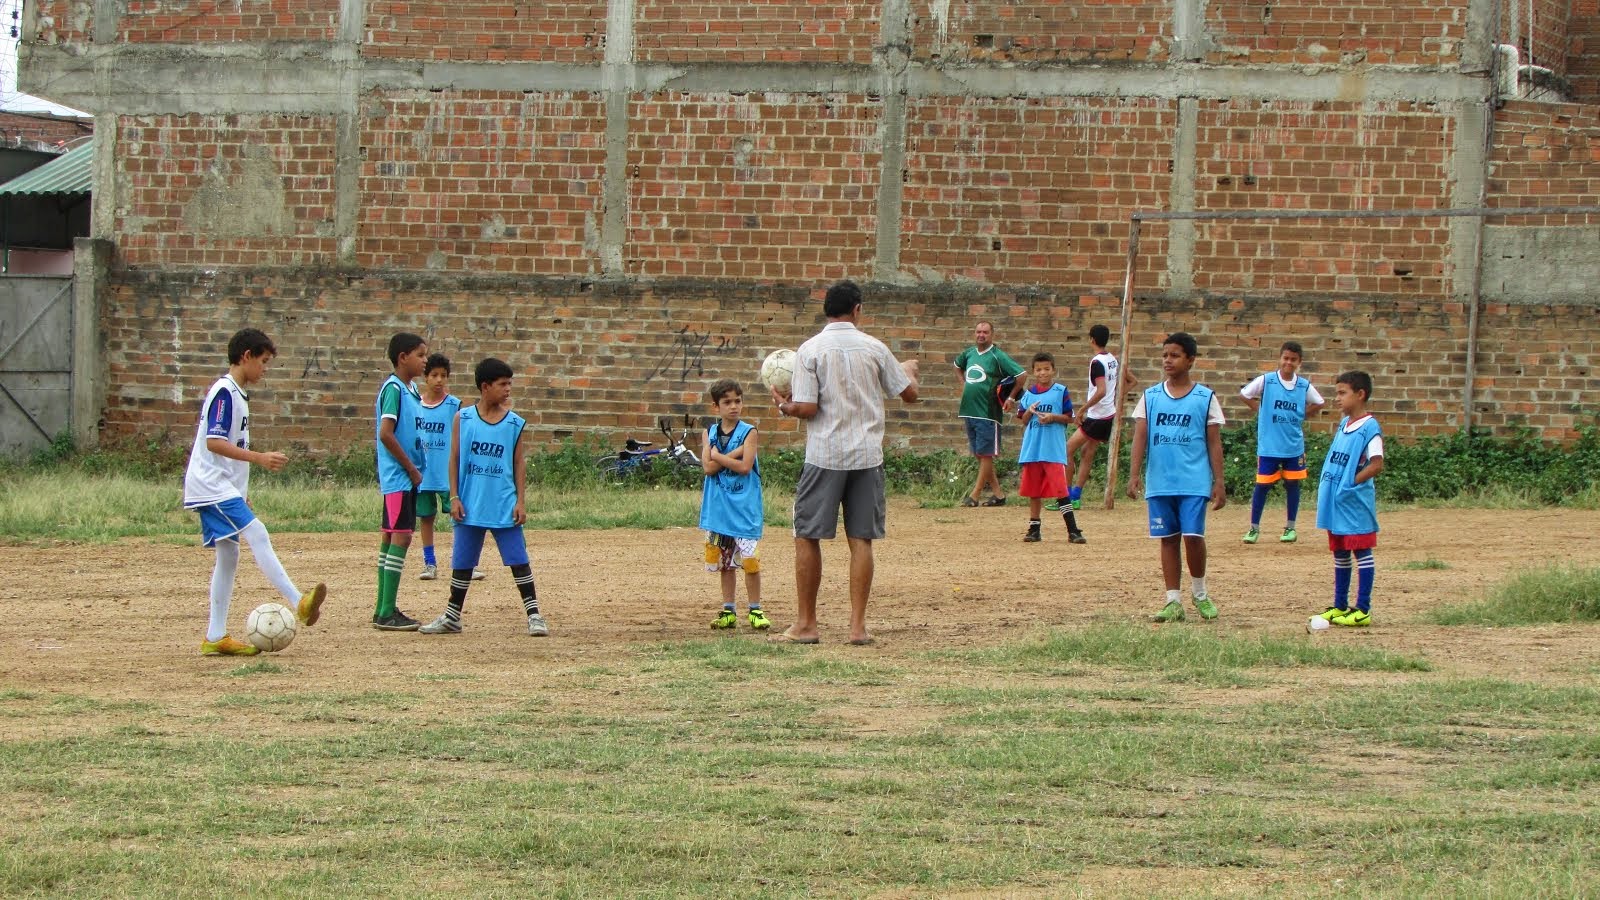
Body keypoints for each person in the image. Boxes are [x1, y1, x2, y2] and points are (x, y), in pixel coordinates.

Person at [770, 280, 919, 645]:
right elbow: (909, 395)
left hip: (825, 454)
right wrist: (910, 371)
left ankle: (807, 624)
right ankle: (857, 627)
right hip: (867, 455)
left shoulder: (810, 350)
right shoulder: (875, 348)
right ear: (857, 310)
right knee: (861, 539)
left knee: (807, 535)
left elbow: (807, 408)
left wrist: (784, 405)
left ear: (827, 310)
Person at [182, 328, 326, 656]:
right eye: (262, 362)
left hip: (220, 487)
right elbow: (214, 442)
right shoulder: (225, 392)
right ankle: (298, 602)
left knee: (229, 555)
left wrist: (238, 490)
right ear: (245, 356)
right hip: (210, 485)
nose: (264, 369)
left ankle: (215, 636)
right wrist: (259, 458)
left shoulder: (237, 394)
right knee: (257, 532)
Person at [419, 358, 550, 636]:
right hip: (470, 503)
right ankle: (452, 616)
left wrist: (521, 500)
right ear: (485, 386)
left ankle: (534, 614)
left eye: (509, 384)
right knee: (463, 562)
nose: (508, 390)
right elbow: (453, 459)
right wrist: (454, 496)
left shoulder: (513, 423)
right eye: (503, 384)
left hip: (503, 503)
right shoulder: (463, 419)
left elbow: (518, 463)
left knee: (518, 560)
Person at [1126, 332, 1226, 623]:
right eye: (1165, 355)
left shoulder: (1205, 398)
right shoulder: (1151, 397)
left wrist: (1218, 481)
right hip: (1161, 482)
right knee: (1168, 539)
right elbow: (1140, 438)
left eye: (1174, 355)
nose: (1167, 360)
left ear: (1190, 360)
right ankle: (1173, 601)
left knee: (1193, 537)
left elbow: (1214, 443)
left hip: (1193, 481)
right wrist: (1134, 475)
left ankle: (1200, 593)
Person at [1312, 371, 1384, 628]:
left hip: (1354, 501)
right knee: (1340, 552)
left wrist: (1352, 482)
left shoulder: (1370, 427)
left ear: (1360, 394)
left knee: (1361, 550)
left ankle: (1362, 608)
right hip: (1335, 500)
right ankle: (1340, 605)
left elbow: (1376, 464)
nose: (1337, 399)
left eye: (1342, 393)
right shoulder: (1343, 424)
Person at [700, 378, 769, 631]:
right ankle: (728, 610)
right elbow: (708, 468)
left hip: (743, 510)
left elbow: (745, 466)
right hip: (719, 511)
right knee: (725, 563)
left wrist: (718, 454)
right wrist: (729, 454)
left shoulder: (749, 431)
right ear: (715, 406)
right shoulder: (709, 432)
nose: (733, 406)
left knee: (750, 561)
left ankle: (755, 609)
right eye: (727, 402)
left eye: (737, 401)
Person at [1240, 341, 1324, 544]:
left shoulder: (1303, 385)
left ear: (1299, 362)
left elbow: (1320, 402)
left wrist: (1303, 414)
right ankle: (1253, 528)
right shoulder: (1267, 381)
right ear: (1280, 358)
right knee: (1262, 486)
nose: (1289, 362)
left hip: (1293, 446)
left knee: (1292, 484)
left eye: (1293, 359)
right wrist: (1260, 411)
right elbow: (1245, 394)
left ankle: (1290, 527)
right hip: (1269, 445)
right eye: (1286, 358)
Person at [373, 332, 429, 631]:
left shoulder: (411, 389)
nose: (425, 360)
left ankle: (384, 606)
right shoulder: (394, 389)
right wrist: (410, 468)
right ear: (402, 357)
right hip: (399, 478)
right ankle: (385, 612)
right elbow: (386, 433)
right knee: (401, 536)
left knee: (391, 536)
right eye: (420, 355)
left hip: (404, 478)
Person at [413, 354, 484, 583]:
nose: (439, 380)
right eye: (434, 375)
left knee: (459, 517)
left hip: (448, 474)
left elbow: (462, 437)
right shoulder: (416, 405)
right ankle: (429, 562)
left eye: (443, 375)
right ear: (425, 377)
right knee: (426, 518)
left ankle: (466, 563)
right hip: (424, 474)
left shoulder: (454, 405)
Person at [1050, 324, 1135, 512]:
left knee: (1067, 450)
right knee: (1087, 453)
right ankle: (1076, 497)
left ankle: (1064, 497)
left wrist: (1082, 409)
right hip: (1108, 414)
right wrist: (1116, 397)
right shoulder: (1113, 359)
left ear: (1092, 340)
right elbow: (1132, 381)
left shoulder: (1097, 362)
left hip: (1098, 416)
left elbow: (1101, 390)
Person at [1014, 352, 1085, 544]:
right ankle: (1034, 528)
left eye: (1046, 369)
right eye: (1038, 370)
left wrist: (1053, 417)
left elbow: (1069, 418)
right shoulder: (1028, 394)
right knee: (1034, 491)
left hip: (1052, 449)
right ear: (1033, 372)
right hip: (1033, 449)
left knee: (1061, 489)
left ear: (1053, 370)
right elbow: (1023, 420)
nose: (1043, 373)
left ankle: (1072, 529)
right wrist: (1029, 411)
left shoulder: (1060, 391)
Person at [953, 321, 1025, 507]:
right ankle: (999, 495)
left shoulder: (997, 356)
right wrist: (963, 384)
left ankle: (975, 495)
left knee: (986, 455)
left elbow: (1021, 375)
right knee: (980, 454)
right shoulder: (969, 353)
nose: (981, 335)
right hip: (969, 410)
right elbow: (956, 365)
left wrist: (1010, 398)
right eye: (978, 332)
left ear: (992, 334)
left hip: (987, 412)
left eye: (985, 332)